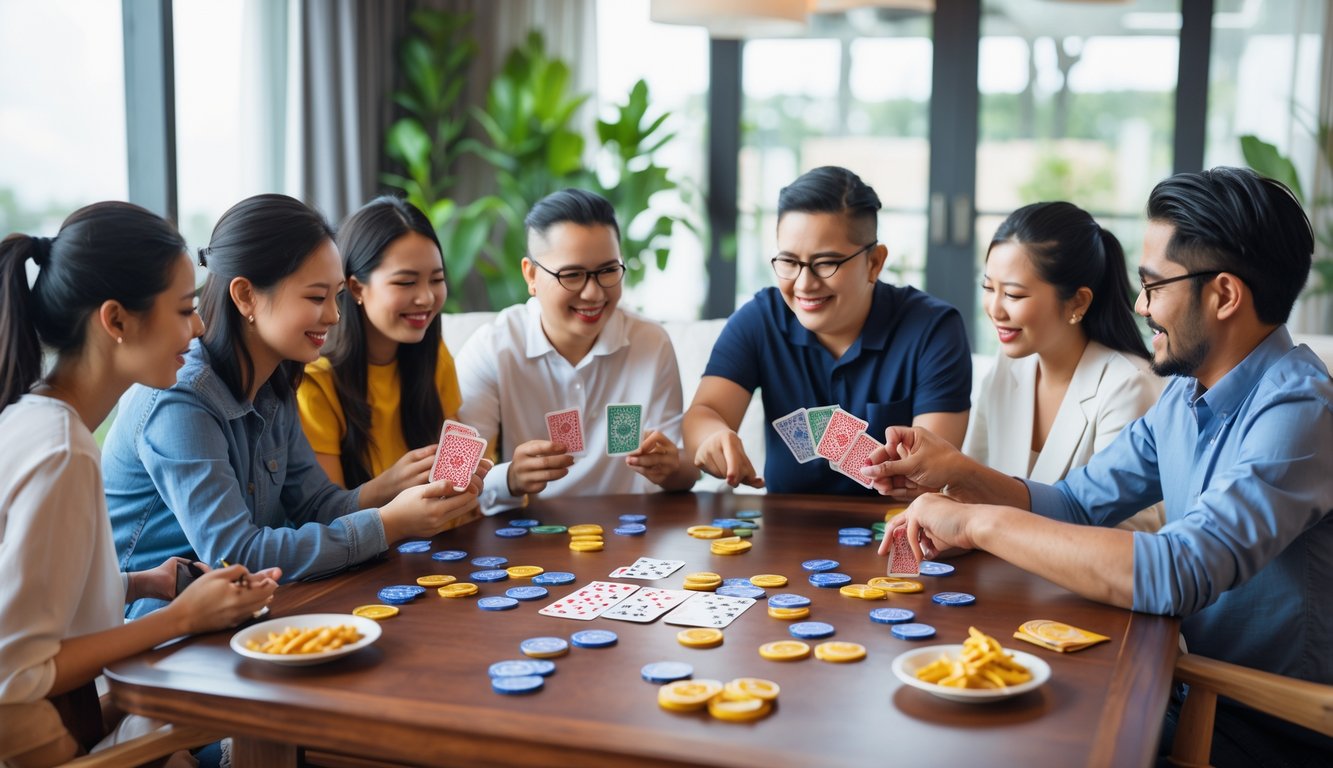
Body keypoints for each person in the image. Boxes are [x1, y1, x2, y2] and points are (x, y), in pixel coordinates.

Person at [868, 168, 1332, 765]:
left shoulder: (1299, 412)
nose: (1140, 305)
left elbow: (1179, 570)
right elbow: (1077, 503)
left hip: (1258, 723)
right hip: (1182, 685)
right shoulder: (1185, 393)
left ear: (1223, 295)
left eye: (1153, 285)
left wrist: (978, 523)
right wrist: (959, 476)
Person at [104, 194, 487, 618]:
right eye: (316, 297)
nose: (335, 316)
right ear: (245, 295)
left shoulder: (276, 380)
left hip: (248, 608)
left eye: (336, 297)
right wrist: (390, 523)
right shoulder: (181, 399)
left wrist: (403, 495)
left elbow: (317, 505)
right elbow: (237, 554)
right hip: (161, 625)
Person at [0, 203, 279, 767]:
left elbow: (34, 595)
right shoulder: (63, 451)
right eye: (184, 309)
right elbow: (15, 671)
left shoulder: (30, 419)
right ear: (116, 321)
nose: (199, 327)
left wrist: (144, 583)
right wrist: (183, 618)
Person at [683, 166, 972, 494]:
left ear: (874, 263)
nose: (804, 284)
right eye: (789, 262)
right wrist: (712, 438)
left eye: (825, 264)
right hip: (783, 523)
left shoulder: (933, 330)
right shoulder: (761, 319)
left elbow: (932, 474)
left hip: (897, 520)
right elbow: (705, 412)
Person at [456, 188, 697, 513]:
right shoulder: (491, 349)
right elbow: (457, 480)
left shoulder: (651, 343)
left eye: (608, 271)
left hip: (630, 527)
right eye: (572, 275)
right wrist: (510, 478)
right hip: (527, 530)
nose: (593, 293)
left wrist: (670, 467)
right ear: (531, 274)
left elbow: (686, 470)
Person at [968, 202, 1164, 530]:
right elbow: (968, 483)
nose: (995, 309)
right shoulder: (1008, 366)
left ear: (1078, 301)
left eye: (1013, 295)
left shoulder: (1128, 384)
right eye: (988, 288)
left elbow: (1131, 531)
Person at [297, 196, 460, 490]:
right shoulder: (316, 380)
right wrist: (390, 486)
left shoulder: (435, 357)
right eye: (406, 282)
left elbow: (457, 480)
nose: (426, 298)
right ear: (356, 288)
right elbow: (329, 509)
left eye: (436, 280)